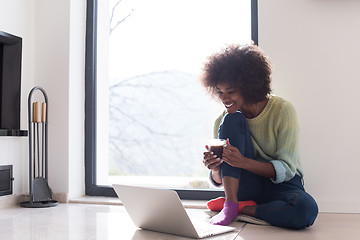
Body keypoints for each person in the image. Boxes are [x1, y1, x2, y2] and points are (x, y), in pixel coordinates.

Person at [201, 43, 318, 229]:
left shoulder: (282, 110)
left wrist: (243, 162)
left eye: (230, 91)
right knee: (232, 119)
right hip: (245, 184)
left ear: (249, 86)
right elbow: (222, 177)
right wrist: (215, 169)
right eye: (219, 92)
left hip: (283, 184)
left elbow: (287, 169)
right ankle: (230, 204)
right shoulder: (223, 120)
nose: (224, 98)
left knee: (305, 209)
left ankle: (241, 209)